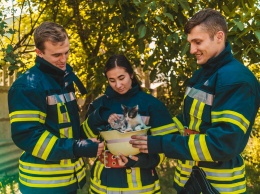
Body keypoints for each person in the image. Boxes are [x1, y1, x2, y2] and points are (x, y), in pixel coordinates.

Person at [130, 8, 260, 194]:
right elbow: (188, 120)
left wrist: (160, 144)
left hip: (217, 186)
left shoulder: (236, 80)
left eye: (197, 42)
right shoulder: (203, 74)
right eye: (190, 43)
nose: (192, 50)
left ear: (219, 36)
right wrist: (143, 129)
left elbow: (222, 143)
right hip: (188, 181)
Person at [8, 21, 104, 194]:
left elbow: (68, 132)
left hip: (69, 181)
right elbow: (28, 136)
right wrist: (76, 148)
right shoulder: (27, 85)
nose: (64, 59)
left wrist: (96, 120)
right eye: (57, 55)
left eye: (66, 52)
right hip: (42, 186)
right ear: (39, 53)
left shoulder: (64, 81)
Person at [80, 54, 177, 193]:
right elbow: (83, 137)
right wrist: (98, 116)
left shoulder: (151, 105)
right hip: (102, 186)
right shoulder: (99, 105)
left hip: (140, 186)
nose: (118, 85)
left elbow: (169, 145)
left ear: (131, 74)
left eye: (121, 78)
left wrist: (139, 160)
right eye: (112, 80)